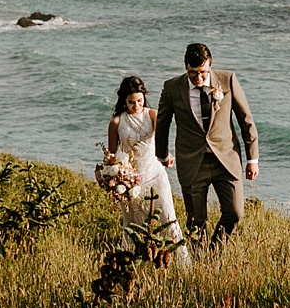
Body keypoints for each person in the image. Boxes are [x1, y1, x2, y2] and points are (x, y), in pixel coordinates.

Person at [155, 42, 258, 249]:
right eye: (193, 73)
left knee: (235, 213)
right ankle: (199, 261)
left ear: (210, 65)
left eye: (203, 72)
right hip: (193, 162)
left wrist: (252, 158)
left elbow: (245, 119)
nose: (199, 78)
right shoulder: (172, 88)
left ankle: (213, 251)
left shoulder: (228, 80)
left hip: (226, 159)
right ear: (185, 67)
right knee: (196, 220)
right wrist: (163, 155)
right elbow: (162, 124)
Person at [104, 75, 190, 266]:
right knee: (132, 224)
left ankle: (183, 264)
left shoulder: (152, 115)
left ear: (144, 97)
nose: (136, 106)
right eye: (131, 102)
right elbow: (111, 156)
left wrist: (167, 156)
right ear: (124, 101)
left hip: (155, 175)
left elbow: (162, 141)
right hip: (130, 181)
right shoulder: (117, 122)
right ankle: (132, 264)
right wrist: (114, 176)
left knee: (168, 217)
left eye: (140, 101)